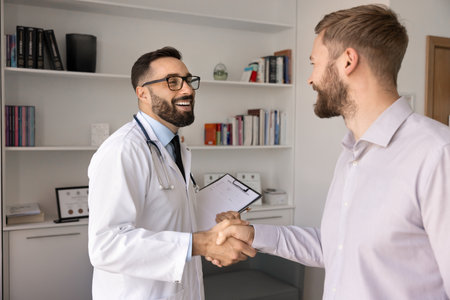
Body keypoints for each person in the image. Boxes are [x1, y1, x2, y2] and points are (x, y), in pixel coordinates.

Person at [215, 4, 450, 299]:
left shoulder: (438, 154)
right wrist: (253, 234)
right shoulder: (351, 153)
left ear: (348, 61)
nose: (310, 79)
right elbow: (337, 246)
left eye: (314, 63)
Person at [88, 46, 255, 300]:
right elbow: (106, 245)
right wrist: (201, 243)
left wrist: (214, 223)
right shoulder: (123, 150)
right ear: (142, 93)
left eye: (188, 81)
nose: (187, 90)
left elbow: (168, 216)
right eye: (172, 82)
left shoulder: (175, 148)